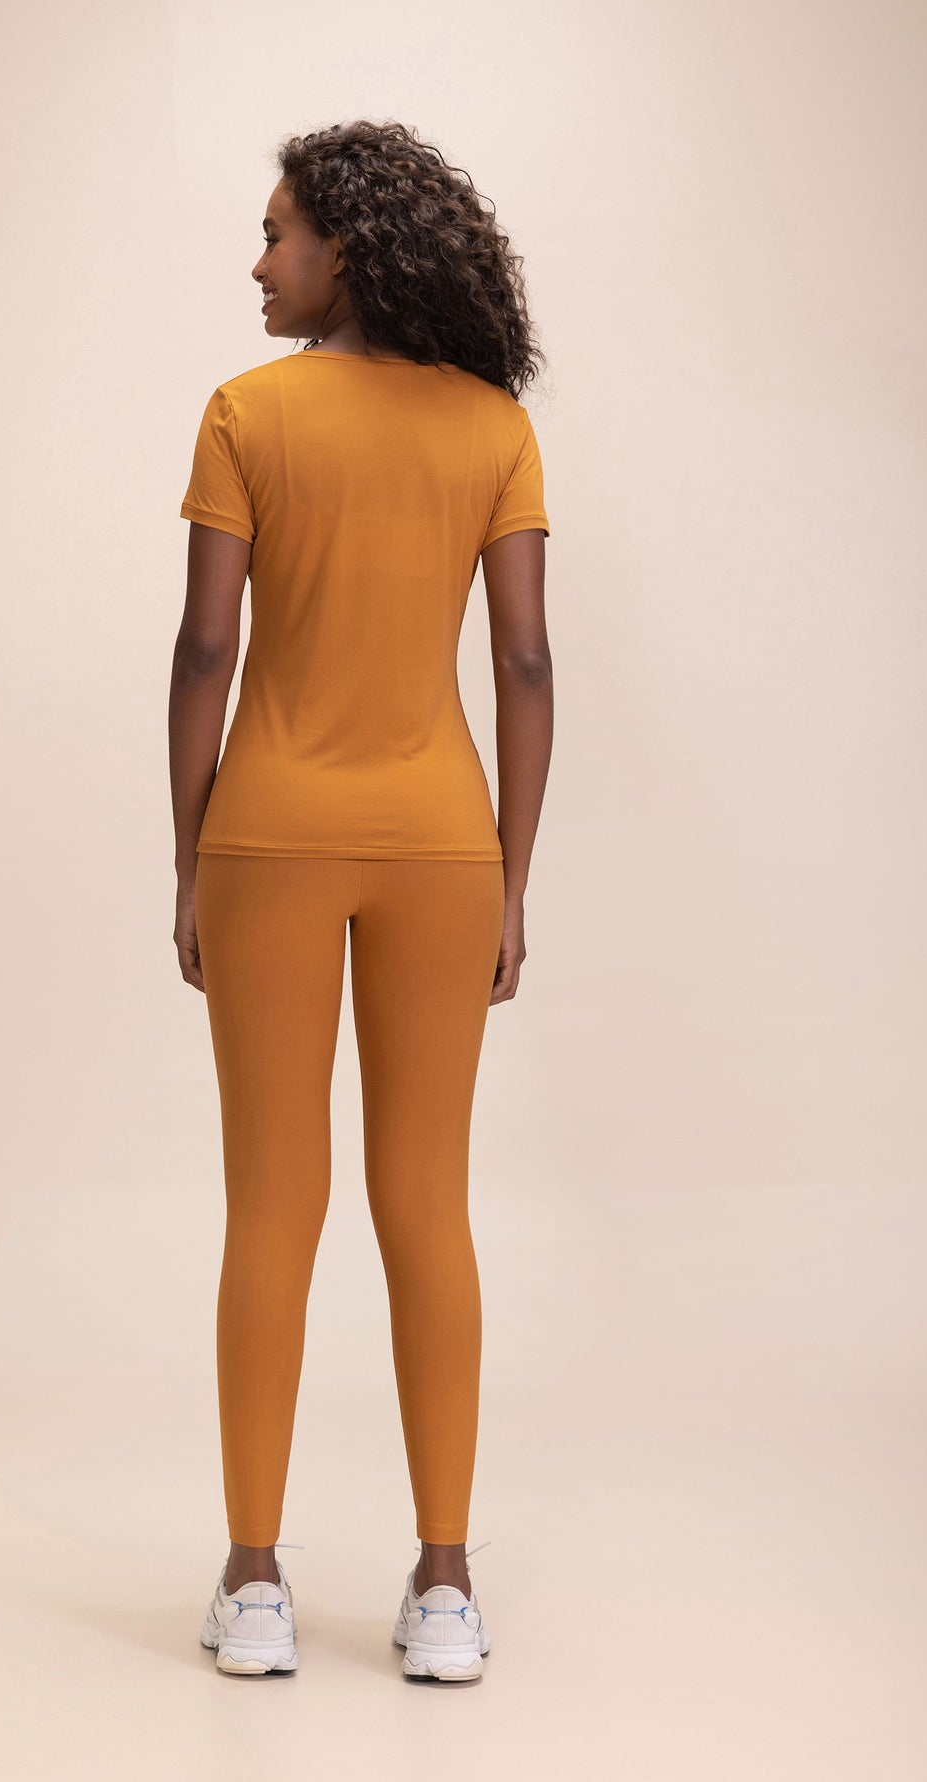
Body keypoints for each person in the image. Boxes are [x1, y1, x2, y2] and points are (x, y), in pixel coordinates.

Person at [172, 119, 552, 1679]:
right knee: (427, 1202)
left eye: (278, 233)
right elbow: (523, 661)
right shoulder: (494, 428)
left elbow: (207, 649)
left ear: (347, 247)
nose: (259, 261)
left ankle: (256, 1582)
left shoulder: (245, 413)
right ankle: (445, 1585)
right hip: (442, 846)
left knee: (273, 1203)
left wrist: (188, 858)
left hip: (267, 835)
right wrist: (513, 880)